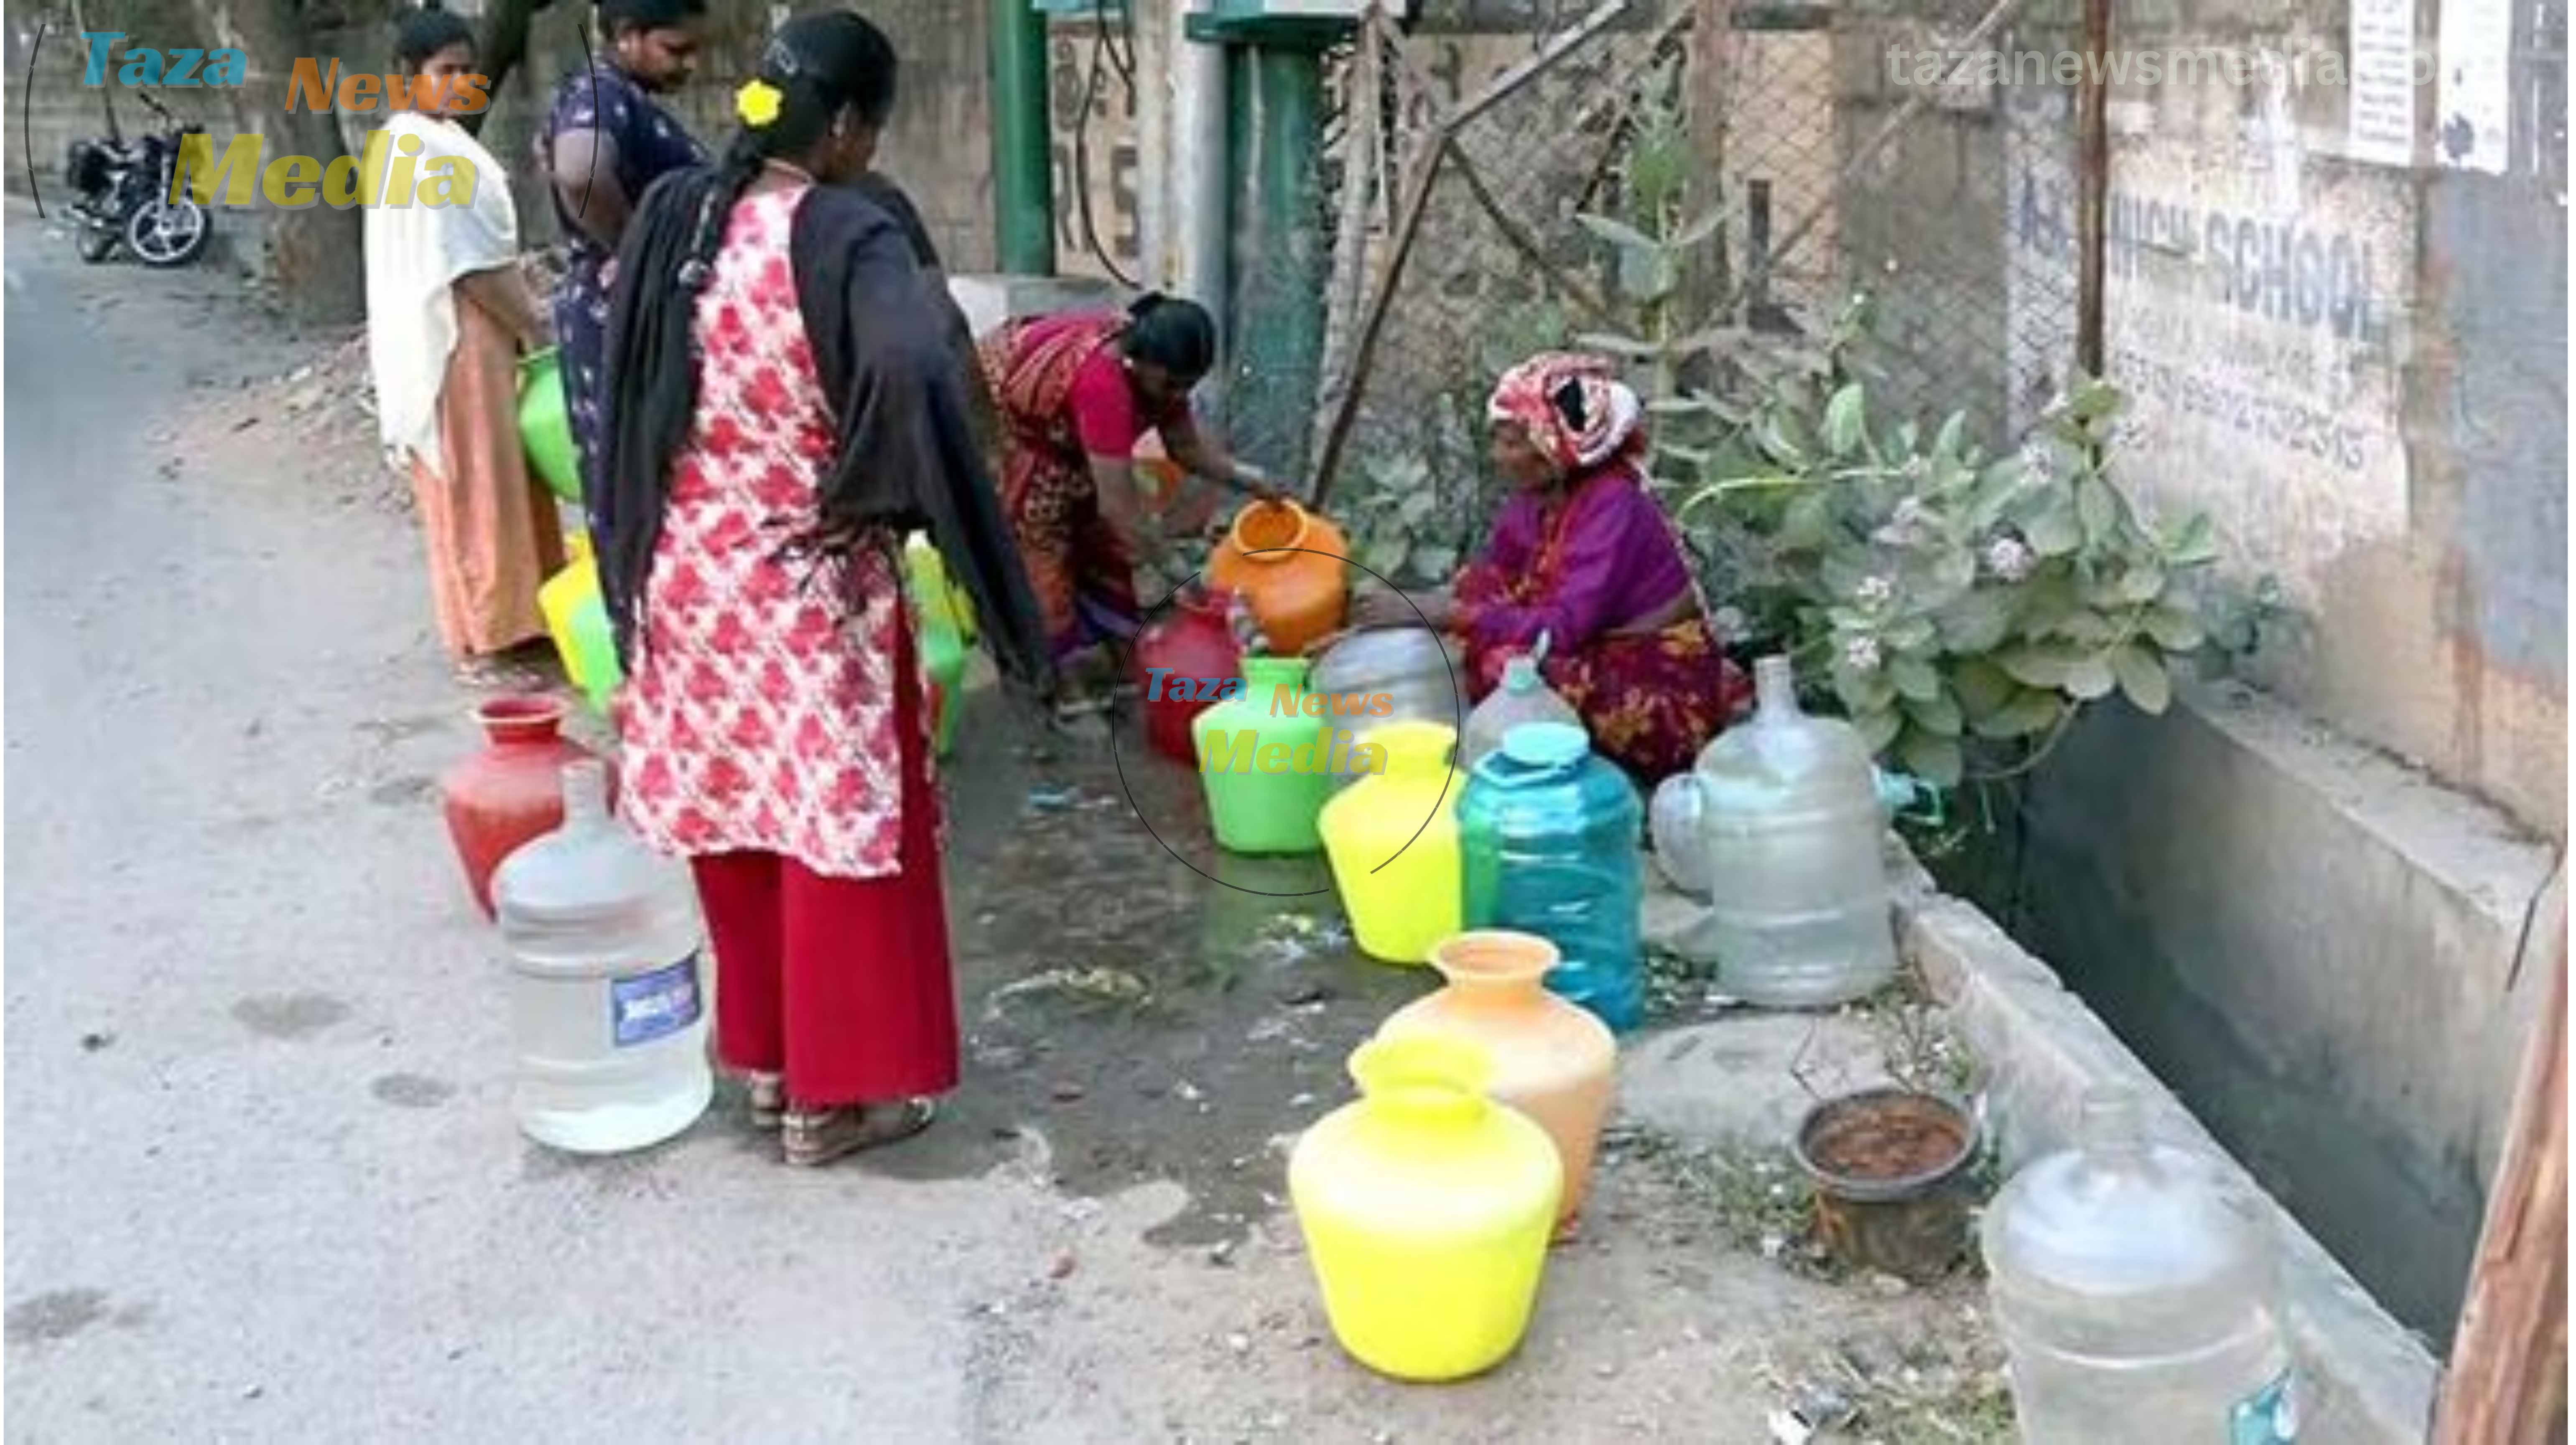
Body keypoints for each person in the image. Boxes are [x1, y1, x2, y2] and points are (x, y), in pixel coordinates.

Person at [595, 11, 1053, 1165]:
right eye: (873, 129)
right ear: (846, 125)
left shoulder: (676, 215)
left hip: (689, 580)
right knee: (838, 832)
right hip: (804, 582)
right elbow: (914, 367)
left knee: (740, 817)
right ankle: (836, 1098)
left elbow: (625, 377)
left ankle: (765, 1065)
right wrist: (878, 491)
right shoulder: (847, 231)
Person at [1359, 351, 1750, 782]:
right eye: (1499, 441)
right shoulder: (1535, 506)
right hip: (1595, 653)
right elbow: (1490, 585)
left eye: (1512, 443)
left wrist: (1445, 614)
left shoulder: (1614, 508)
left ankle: (1573, 779)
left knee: (1510, 667)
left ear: (1553, 448)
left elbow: (1563, 630)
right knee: (1473, 612)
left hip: (1661, 687)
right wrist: (1409, 625)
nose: (1498, 456)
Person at [363, 7, 563, 687]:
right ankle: (491, 635)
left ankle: (521, 620)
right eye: (445, 72)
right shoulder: (417, 150)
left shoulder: (425, 141)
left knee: (499, 478)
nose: (459, 84)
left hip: (468, 330)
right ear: (405, 77)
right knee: (479, 482)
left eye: (467, 72)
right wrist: (535, 322)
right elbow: (468, 263)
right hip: (456, 334)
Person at [976, 295, 1274, 692]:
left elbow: (1184, 448)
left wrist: (1251, 479)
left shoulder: (1158, 375)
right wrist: (1173, 568)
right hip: (1013, 424)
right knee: (1042, 546)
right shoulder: (1103, 384)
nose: (1177, 396)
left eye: (1188, 386)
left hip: (1070, 435)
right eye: (1172, 384)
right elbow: (1118, 508)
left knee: (1105, 542)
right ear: (1140, 363)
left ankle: (1121, 655)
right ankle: (1059, 681)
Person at [538, 0, 707, 530]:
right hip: (622, 314)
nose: (689, 66)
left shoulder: (620, 98)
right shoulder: (599, 91)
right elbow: (579, 172)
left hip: (622, 310)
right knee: (642, 485)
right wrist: (639, 258)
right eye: (676, 50)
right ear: (627, 36)